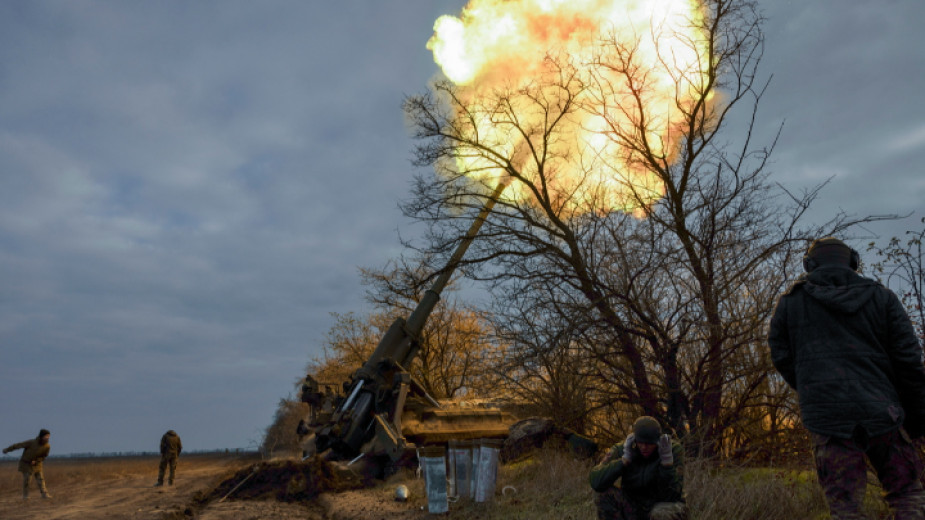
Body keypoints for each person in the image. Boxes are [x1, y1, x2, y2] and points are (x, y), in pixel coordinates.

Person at [769, 237, 925, 519]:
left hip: (828, 421)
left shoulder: (790, 303)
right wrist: (916, 417)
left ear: (810, 264)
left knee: (845, 507)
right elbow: (909, 361)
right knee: (907, 496)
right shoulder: (883, 297)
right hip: (884, 413)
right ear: (853, 263)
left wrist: (813, 389)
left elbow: (781, 357)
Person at [589, 416, 685, 520]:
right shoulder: (622, 449)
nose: (644, 447)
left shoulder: (672, 450)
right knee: (603, 493)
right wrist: (623, 461)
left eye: (649, 443)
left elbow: (673, 495)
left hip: (661, 504)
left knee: (660, 512)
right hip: (632, 507)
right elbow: (596, 481)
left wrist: (667, 464)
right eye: (640, 442)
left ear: (657, 441)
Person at [3, 428, 53, 499]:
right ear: (41, 436)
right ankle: (25, 496)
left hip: (37, 465)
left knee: (41, 480)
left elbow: (44, 456)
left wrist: (36, 461)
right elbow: (18, 445)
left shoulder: (47, 446)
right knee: (27, 480)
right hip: (26, 464)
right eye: (46, 436)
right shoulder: (31, 442)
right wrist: (7, 450)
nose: (48, 438)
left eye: (49, 437)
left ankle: (44, 494)